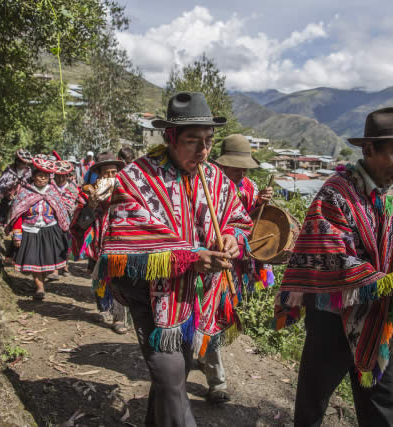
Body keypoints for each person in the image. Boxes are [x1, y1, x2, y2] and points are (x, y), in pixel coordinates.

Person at [274, 107, 393, 426]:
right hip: (331, 316)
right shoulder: (335, 194)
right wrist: (391, 283)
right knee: (314, 400)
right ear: (368, 150)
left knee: (381, 404)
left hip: (378, 316)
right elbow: (332, 260)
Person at [95, 92, 252, 426]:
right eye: (193, 141)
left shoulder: (216, 179)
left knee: (174, 376)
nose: (203, 151)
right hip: (148, 293)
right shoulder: (137, 177)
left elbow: (238, 219)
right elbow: (126, 234)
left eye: (209, 141)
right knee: (169, 374)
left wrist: (233, 238)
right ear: (170, 137)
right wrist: (191, 256)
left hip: (194, 297)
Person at [198, 133, 276, 403]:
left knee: (218, 315)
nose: (241, 171)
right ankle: (217, 382)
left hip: (234, 264)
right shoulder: (204, 183)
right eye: (236, 166)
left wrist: (260, 204)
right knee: (206, 314)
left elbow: (250, 223)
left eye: (244, 166)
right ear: (222, 164)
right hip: (203, 262)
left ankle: (204, 358)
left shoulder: (251, 188)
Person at [71, 152, 129, 334]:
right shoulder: (88, 193)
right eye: (106, 173)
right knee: (101, 279)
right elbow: (80, 224)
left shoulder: (129, 192)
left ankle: (120, 318)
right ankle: (104, 306)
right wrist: (91, 206)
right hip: (98, 244)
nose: (111, 176)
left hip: (122, 243)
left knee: (120, 280)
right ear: (100, 175)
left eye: (114, 173)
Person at [6, 158, 71, 300]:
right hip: (30, 230)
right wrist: (17, 233)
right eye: (40, 176)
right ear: (33, 176)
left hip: (50, 230)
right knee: (33, 261)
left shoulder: (53, 192)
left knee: (48, 263)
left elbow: (61, 212)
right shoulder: (25, 193)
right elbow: (17, 213)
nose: (42, 179)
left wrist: (63, 230)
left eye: (46, 176)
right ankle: (40, 288)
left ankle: (43, 279)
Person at [0, 148, 33, 225]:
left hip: (20, 196)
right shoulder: (10, 170)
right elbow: (2, 184)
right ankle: (1, 223)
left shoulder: (28, 171)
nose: (25, 165)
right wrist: (3, 194)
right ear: (18, 161)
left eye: (26, 163)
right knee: (4, 209)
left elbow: (29, 184)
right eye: (23, 163)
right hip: (8, 194)